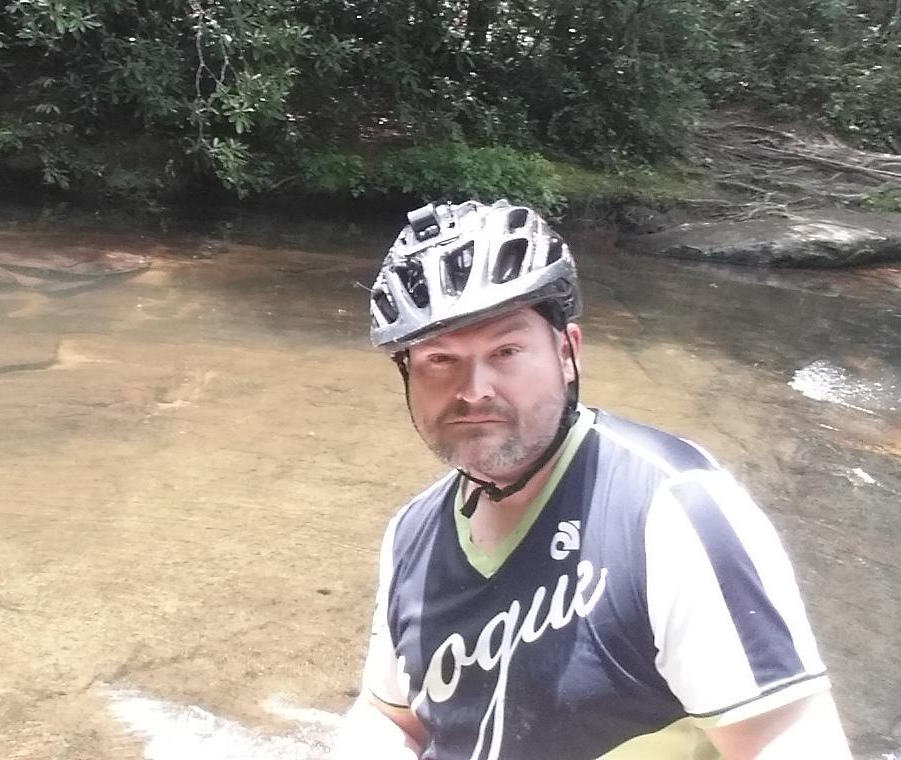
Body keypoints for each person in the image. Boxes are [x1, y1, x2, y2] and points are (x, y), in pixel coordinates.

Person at [333, 200, 852, 760]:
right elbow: (391, 716)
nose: (474, 389)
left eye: (506, 351)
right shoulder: (413, 534)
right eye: (440, 359)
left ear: (567, 353)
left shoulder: (673, 512)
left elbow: (787, 739)